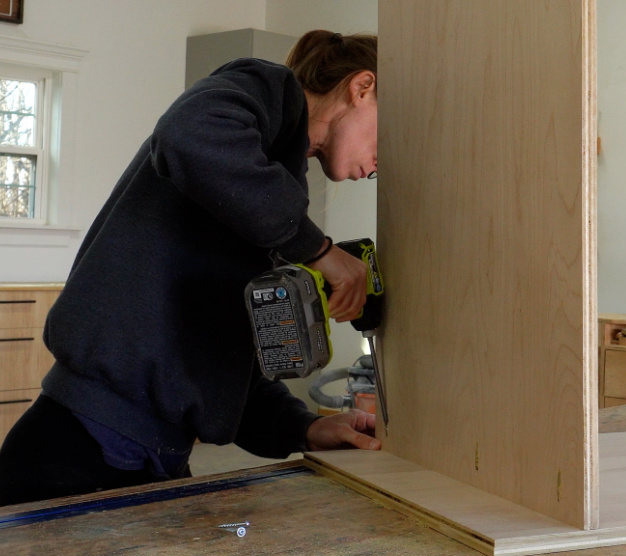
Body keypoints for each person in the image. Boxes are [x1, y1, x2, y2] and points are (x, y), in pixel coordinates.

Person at [0, 30, 383, 507]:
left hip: (148, 456)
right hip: (82, 450)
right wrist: (318, 249)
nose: (377, 168)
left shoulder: (267, 192)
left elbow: (222, 364)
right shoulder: (266, 86)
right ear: (362, 87)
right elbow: (188, 135)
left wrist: (305, 426)